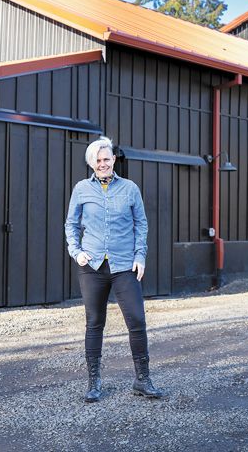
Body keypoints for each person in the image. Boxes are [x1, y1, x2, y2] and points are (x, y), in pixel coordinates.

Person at [64, 136, 164, 402]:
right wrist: (76, 252)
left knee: (137, 321)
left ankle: (142, 380)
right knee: (95, 323)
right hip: (92, 266)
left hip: (124, 266)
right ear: (91, 163)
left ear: (114, 159)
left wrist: (140, 256)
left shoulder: (130, 188)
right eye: (97, 160)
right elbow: (70, 225)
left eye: (106, 159)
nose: (103, 163)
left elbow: (141, 224)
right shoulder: (82, 189)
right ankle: (93, 383)